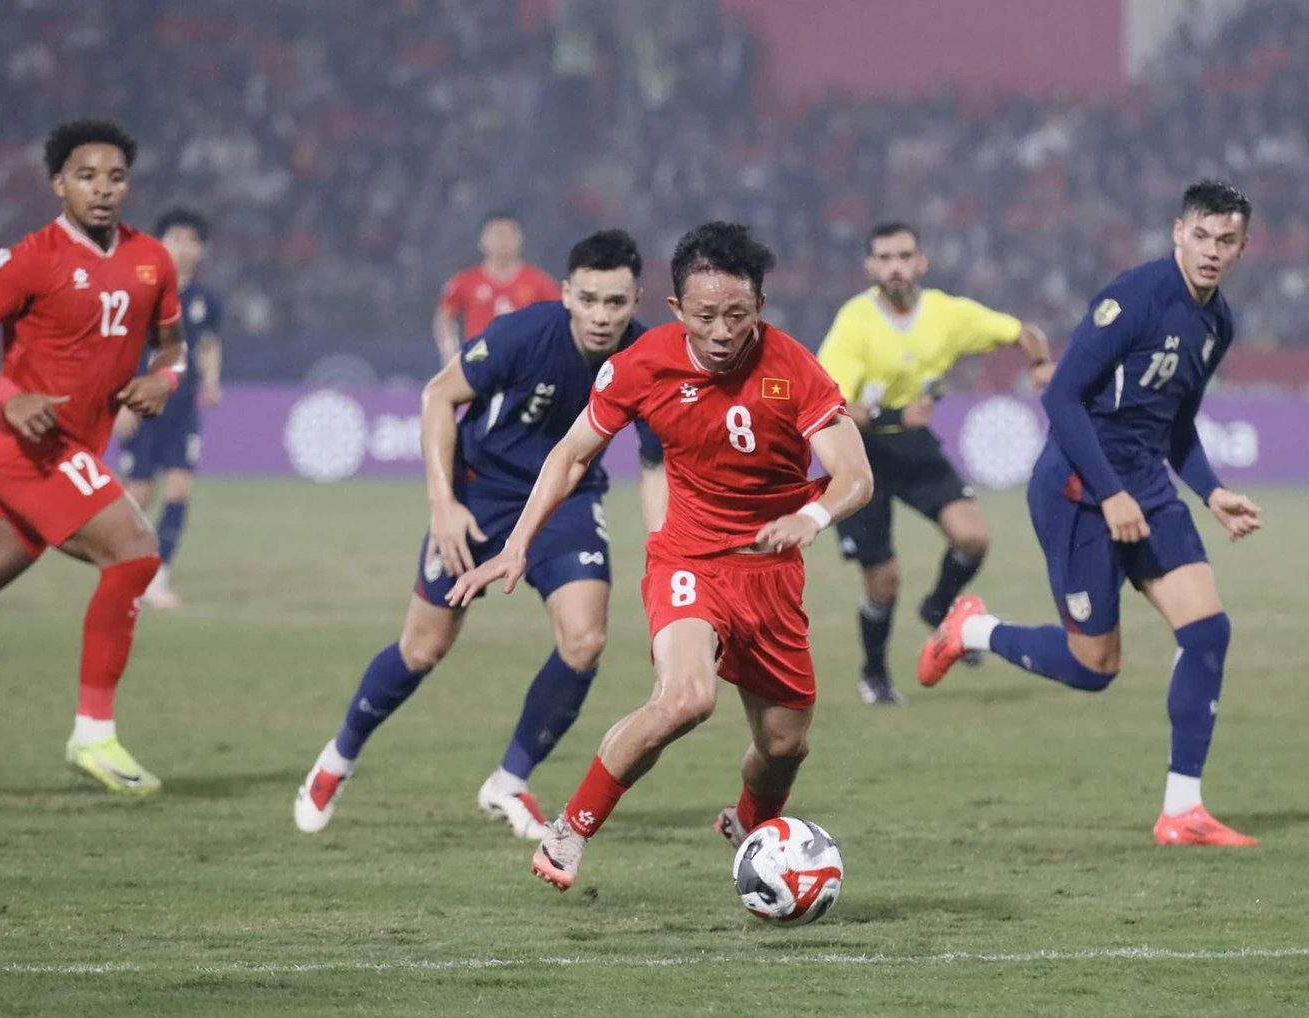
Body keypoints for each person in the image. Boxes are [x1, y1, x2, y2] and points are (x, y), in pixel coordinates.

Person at [447, 222, 874, 892]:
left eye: (738, 314)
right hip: (688, 560)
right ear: (677, 311)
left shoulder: (794, 368)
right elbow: (571, 454)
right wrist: (518, 543)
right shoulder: (642, 364)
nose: (724, 330)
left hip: (771, 574)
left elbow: (855, 476)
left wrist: (809, 516)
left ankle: (748, 823)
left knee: (785, 747)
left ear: (760, 307)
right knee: (686, 698)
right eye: (706, 316)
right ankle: (572, 829)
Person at [918, 181, 1263, 846]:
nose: (1212, 251)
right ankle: (974, 629)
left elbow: (1177, 423)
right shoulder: (1133, 298)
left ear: (1243, 249)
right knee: (1093, 668)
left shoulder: (1218, 324)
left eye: (1227, 240)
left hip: (1146, 491)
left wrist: (1212, 491)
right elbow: (1064, 400)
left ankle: (1181, 811)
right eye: (1201, 236)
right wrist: (1111, 494)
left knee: (1208, 632)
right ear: (1177, 234)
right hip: (1078, 492)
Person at [294, 230, 667, 839]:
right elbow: (438, 396)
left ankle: (509, 782)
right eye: (591, 299)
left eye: (616, 303)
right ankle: (337, 759)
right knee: (422, 649)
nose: (602, 316)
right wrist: (443, 506)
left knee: (585, 641)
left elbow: (656, 464)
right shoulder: (524, 333)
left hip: (565, 503)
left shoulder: (649, 357)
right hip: (480, 495)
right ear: (568, 294)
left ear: (635, 300)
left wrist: (663, 544)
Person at [0, 118, 186, 794]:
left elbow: (172, 346)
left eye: (115, 177)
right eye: (87, 176)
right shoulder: (31, 258)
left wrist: (163, 379)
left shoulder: (152, 259)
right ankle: (93, 737)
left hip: (68, 454)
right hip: (28, 452)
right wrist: (5, 393)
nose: (102, 189)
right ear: (58, 183)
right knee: (136, 552)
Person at [816, 223, 1053, 705]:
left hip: (913, 445)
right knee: (884, 579)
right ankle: (875, 674)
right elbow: (829, 404)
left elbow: (1023, 332)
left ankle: (940, 608)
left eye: (905, 255)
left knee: (973, 537)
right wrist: (895, 414)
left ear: (922, 261)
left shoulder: (947, 314)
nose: (896, 266)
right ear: (870, 267)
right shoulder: (854, 323)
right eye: (885, 258)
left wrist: (1040, 364)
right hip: (860, 452)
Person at [115, 208, 223, 609]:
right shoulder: (139, 291)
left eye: (193, 241)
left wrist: (211, 380)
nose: (184, 248)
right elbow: (119, 351)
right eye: (175, 238)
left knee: (178, 490)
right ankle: (125, 575)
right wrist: (119, 403)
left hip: (182, 409)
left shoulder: (206, 299)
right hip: (142, 405)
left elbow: (209, 343)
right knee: (138, 495)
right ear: (158, 243)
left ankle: (156, 580)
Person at [432, 212, 562, 365]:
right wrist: (450, 352)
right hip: (479, 365)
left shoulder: (540, 282)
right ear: (482, 240)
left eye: (508, 234)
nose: (502, 241)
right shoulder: (465, 281)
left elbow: (560, 318)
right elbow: (445, 316)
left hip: (525, 365)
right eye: (496, 235)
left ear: (520, 239)